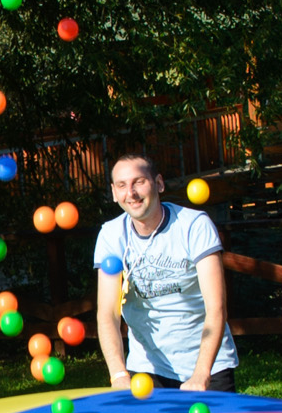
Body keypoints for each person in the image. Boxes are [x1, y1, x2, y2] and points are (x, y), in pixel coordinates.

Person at [94, 153, 237, 392]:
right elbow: (108, 313)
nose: (131, 193)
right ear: (114, 192)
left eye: (139, 182)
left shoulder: (194, 225)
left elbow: (216, 307)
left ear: (158, 183)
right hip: (147, 370)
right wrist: (119, 374)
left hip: (210, 365)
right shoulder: (111, 235)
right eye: (122, 185)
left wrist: (201, 375)